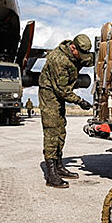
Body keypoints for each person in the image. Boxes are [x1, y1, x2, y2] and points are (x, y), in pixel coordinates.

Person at [39, 34, 94, 188]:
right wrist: (80, 101)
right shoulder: (58, 59)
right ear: (73, 47)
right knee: (52, 131)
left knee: (61, 130)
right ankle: (51, 175)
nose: (82, 58)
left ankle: (59, 166)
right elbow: (62, 90)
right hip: (50, 94)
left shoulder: (77, 53)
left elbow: (90, 59)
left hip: (60, 93)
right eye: (80, 54)